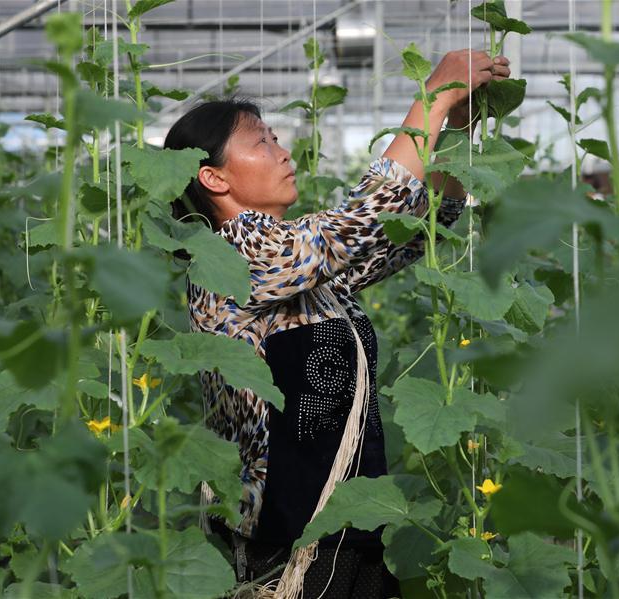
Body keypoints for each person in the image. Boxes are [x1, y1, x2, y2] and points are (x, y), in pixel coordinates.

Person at [163, 49, 511, 598]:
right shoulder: (228, 257)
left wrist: (449, 128)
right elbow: (362, 217)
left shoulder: (300, 269)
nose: (283, 152)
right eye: (263, 142)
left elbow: (414, 232)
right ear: (213, 177)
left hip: (347, 531)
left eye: (276, 137)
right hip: (290, 545)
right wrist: (435, 92)